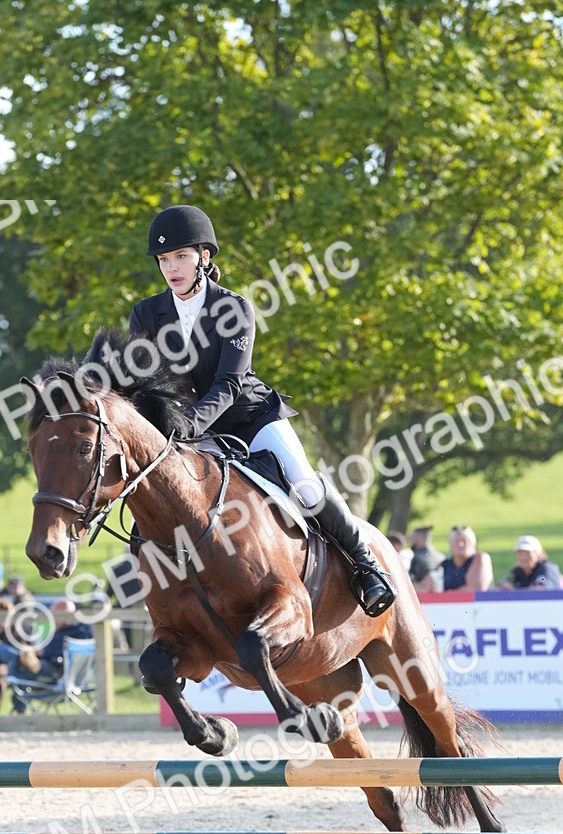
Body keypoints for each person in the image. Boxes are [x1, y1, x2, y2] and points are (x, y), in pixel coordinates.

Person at [127, 205, 395, 618]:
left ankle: (366, 565)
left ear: (204, 256)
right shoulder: (146, 314)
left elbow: (228, 384)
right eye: (164, 260)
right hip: (191, 434)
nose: (171, 268)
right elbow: (149, 381)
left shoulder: (234, 308)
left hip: (250, 418)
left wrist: (187, 426)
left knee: (303, 484)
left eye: (181, 256)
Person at [498, 536, 563, 590]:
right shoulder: (517, 571)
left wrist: (515, 591)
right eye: (520, 553)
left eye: (528, 553)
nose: (524, 557)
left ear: (538, 554)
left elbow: (542, 585)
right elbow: (501, 586)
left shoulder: (546, 568)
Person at [439, 525, 493, 592]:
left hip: (475, 602)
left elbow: (476, 589)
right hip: (447, 602)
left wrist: (444, 595)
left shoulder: (480, 559)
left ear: (473, 543)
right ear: (450, 544)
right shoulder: (444, 564)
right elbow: (425, 588)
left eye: (465, 541)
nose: (460, 544)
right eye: (456, 541)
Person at [407, 526, 444, 593]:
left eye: (412, 538)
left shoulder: (417, 558)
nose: (409, 542)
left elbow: (412, 585)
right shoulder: (440, 556)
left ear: (420, 540)